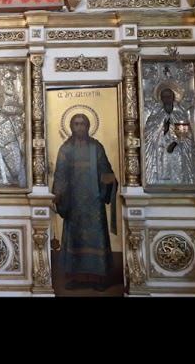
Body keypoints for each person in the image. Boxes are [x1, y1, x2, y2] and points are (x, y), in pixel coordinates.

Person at [52, 114, 117, 291]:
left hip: (94, 203)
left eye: (83, 124)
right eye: (76, 124)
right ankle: (75, 278)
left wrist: (109, 181)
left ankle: (98, 277)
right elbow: (60, 174)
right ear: (71, 127)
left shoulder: (96, 147)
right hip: (73, 203)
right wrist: (59, 194)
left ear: (88, 126)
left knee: (96, 237)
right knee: (75, 239)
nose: (79, 127)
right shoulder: (66, 149)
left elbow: (105, 169)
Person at [144, 86, 195, 185]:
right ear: (161, 99)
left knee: (177, 174)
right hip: (160, 150)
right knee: (162, 175)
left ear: (173, 97)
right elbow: (149, 133)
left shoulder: (180, 114)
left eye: (169, 96)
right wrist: (162, 128)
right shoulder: (156, 115)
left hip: (177, 151)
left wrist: (175, 143)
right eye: (164, 97)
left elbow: (186, 136)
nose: (167, 99)